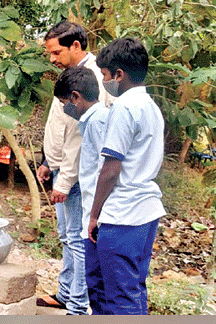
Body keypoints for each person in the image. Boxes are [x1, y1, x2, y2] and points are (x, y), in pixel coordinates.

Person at [35, 21, 114, 315]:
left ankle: (79, 306)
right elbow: (61, 128)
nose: (52, 58)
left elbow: (80, 141)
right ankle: (67, 293)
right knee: (67, 236)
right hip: (62, 169)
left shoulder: (90, 79)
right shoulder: (70, 75)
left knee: (79, 238)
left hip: (77, 175)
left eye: (56, 52)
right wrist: (47, 160)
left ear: (76, 46)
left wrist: (64, 181)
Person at [88, 37, 165, 315]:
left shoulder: (124, 107)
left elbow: (111, 168)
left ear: (118, 75)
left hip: (123, 214)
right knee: (134, 289)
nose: (105, 82)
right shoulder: (151, 107)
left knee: (119, 297)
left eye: (106, 76)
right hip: (146, 211)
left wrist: (94, 214)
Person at [54, 66, 109, 314]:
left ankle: (76, 309)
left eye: (65, 103)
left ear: (76, 97)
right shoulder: (90, 121)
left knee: (90, 264)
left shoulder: (96, 122)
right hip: (92, 207)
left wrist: (95, 214)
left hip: (97, 211)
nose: (65, 109)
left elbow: (105, 170)